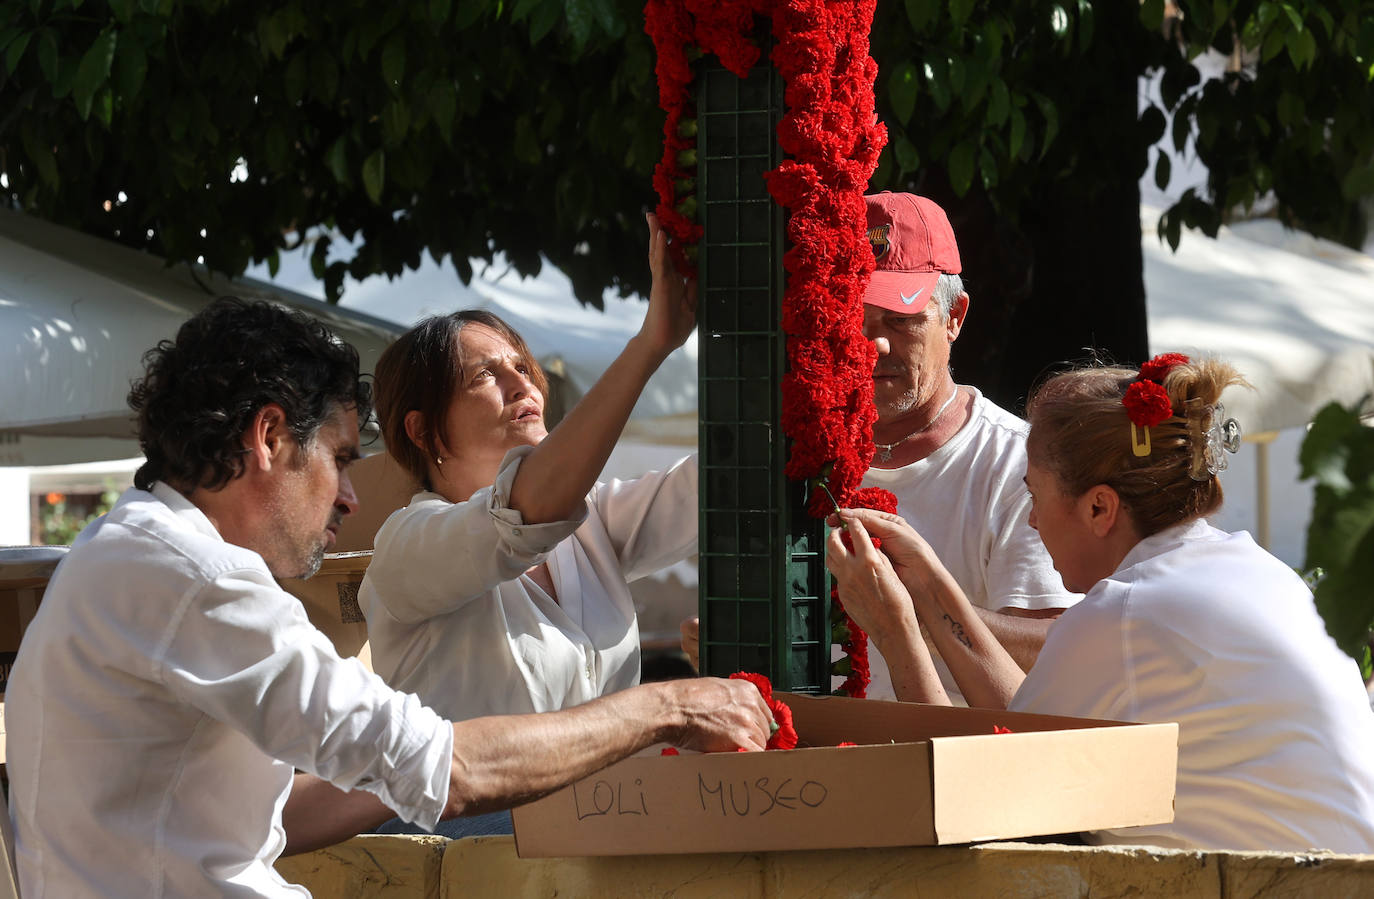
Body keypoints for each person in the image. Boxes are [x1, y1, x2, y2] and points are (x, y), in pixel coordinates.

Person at [4, 297, 771, 898]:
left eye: (524, 368)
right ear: (270, 436)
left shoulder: (144, 552)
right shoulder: (195, 573)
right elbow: (450, 769)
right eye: (339, 459)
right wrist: (669, 707)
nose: (347, 497)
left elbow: (277, 809)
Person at [825, 354, 1374, 852]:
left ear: (1098, 509)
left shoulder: (1128, 611)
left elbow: (975, 803)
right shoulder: (1256, 572)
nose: (1034, 520)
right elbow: (1029, 727)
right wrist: (930, 586)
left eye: (1035, 497)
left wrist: (895, 629)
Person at [360, 212, 698, 835]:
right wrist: (651, 342)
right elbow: (526, 512)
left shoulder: (589, 521)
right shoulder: (406, 547)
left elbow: (707, 489)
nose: (522, 382)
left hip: (599, 848)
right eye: (485, 375)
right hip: (465, 867)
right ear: (422, 429)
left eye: (522, 364)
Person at [684, 192, 1078, 701]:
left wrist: (914, 609)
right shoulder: (789, 447)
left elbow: (1056, 645)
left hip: (959, 769)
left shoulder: (1018, 462)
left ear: (955, 317)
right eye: (855, 319)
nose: (876, 344)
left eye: (900, 319)